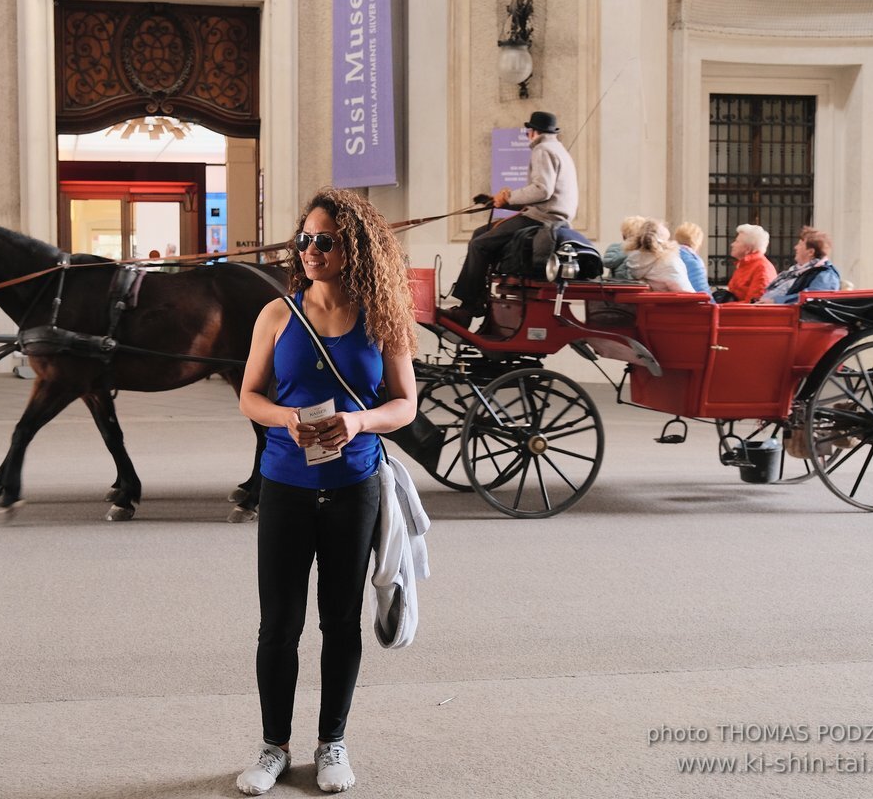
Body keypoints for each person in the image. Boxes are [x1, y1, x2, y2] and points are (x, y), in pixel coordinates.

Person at [236, 187, 418, 796]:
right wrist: (286, 420)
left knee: (340, 622)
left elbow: (405, 404)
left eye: (325, 241)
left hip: (354, 486)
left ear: (354, 248)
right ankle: (273, 748)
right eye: (305, 239)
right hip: (286, 484)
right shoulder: (277, 316)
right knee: (278, 625)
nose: (311, 250)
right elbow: (249, 397)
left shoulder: (383, 317)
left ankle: (331, 743)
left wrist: (360, 421)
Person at [443, 110, 579, 325]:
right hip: (548, 216)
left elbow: (542, 190)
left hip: (543, 219)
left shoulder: (543, 150)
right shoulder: (557, 149)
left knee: (480, 244)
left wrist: (508, 198)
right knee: (481, 233)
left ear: (532, 132)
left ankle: (468, 309)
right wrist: (498, 200)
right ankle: (477, 300)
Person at [757, 226, 840, 304]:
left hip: (789, 316)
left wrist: (776, 301)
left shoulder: (826, 274)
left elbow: (814, 298)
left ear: (810, 252)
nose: (795, 247)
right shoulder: (797, 271)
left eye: (800, 244)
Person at [624, 219, 695, 292]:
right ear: (665, 243)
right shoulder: (670, 262)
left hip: (648, 302)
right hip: (671, 302)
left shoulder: (632, 261)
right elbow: (686, 292)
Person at [717, 223, 776, 303]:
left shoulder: (761, 268)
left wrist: (722, 307)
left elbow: (755, 304)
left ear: (748, 248)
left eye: (737, 241)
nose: (732, 244)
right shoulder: (745, 264)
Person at [672, 222, 711, 295]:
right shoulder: (693, 260)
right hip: (696, 302)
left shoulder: (671, 254)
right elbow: (701, 288)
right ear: (697, 240)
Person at [603, 215, 646, 280]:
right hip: (640, 287)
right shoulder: (646, 251)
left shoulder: (614, 248)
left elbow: (607, 262)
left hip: (617, 286)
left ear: (623, 234)